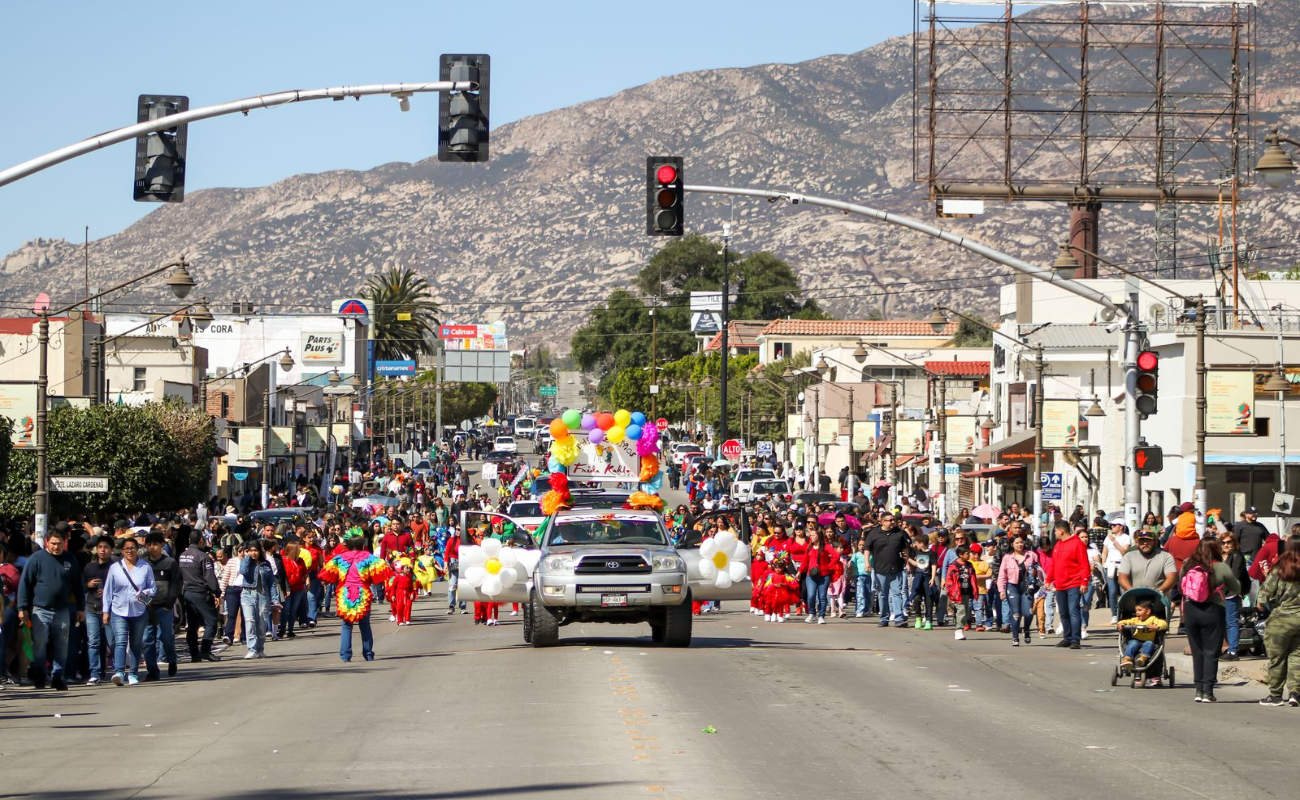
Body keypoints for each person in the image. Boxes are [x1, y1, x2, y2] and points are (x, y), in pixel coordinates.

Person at [15, 527, 84, 691]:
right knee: (40, 644)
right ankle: (40, 675)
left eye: (59, 543)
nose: (56, 546)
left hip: (62, 610)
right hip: (40, 610)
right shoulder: (36, 559)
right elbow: (24, 584)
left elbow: (77, 586)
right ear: (47, 542)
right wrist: (22, 608)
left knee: (62, 645)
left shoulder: (70, 559)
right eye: (53, 543)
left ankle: (57, 677)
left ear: (65, 543)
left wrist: (80, 608)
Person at [1180, 538, 1240, 703]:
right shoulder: (1221, 567)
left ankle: (1198, 690)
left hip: (1191, 610)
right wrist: (1222, 590)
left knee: (1197, 651)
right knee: (1211, 652)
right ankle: (1208, 691)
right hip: (1213, 610)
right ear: (1216, 549)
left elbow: (1181, 587)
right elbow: (1236, 588)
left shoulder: (1187, 565)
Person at [318, 536, 393, 662]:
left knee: (346, 626)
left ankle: (345, 655)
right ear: (362, 545)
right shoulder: (369, 557)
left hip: (344, 594)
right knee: (365, 625)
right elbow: (383, 568)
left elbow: (327, 573)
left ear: (347, 545)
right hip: (363, 593)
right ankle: (368, 654)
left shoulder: (339, 558)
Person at [101, 537, 156, 686]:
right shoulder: (115, 568)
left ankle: (133, 673)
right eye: (127, 549)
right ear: (122, 551)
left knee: (136, 643)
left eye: (132, 548)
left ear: (137, 549)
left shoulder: (145, 567)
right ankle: (119, 672)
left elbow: (153, 588)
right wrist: (105, 611)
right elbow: (108, 591)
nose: (130, 551)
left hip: (139, 611)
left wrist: (145, 592)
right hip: (118, 610)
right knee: (120, 641)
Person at [1257, 546, 1300, 706]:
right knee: (1297, 656)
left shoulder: (1281, 569)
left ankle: (1275, 695)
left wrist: (1263, 607)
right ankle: (1295, 693)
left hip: (1281, 618)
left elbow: (1264, 595)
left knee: (1277, 658)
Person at [178, 532, 223, 663]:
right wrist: (217, 592)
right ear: (201, 540)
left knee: (192, 624)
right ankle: (205, 650)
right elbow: (210, 577)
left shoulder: (182, 556)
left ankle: (194, 653)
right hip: (201, 592)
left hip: (188, 592)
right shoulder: (203, 557)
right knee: (211, 621)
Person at [1045, 522, 1090, 649]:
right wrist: (1048, 580)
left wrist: (1084, 582)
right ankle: (1067, 637)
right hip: (1060, 584)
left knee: (1073, 611)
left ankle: (1075, 639)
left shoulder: (1077, 544)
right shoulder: (1058, 545)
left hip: (1074, 583)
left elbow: (1084, 564)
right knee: (1063, 612)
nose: (1054, 533)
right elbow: (1053, 565)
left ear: (1061, 531)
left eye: (1055, 531)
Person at [864, 513, 908, 627]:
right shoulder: (874, 533)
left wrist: (907, 561)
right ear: (882, 522)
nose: (892, 522)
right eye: (889, 520)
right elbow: (867, 549)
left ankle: (899, 617)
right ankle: (884, 618)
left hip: (896, 568)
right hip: (880, 569)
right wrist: (867, 562)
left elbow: (905, 548)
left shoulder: (899, 533)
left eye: (893, 520)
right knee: (883, 594)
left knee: (897, 593)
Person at [996, 533, 1041, 647]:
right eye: (1017, 543)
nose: (1020, 545)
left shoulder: (1031, 555)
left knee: (1028, 613)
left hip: (1027, 587)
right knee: (1015, 613)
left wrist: (1036, 575)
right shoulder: (1007, 557)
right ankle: (1015, 637)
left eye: (1021, 542)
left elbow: (1040, 571)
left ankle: (1026, 630)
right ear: (1012, 544)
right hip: (1012, 586)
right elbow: (1002, 575)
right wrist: (1001, 590)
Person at [238, 540, 279, 660]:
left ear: (260, 551)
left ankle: (260, 649)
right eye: (250, 550)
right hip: (247, 594)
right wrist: (246, 558)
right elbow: (243, 571)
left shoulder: (266, 564)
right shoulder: (246, 562)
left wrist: (275, 599)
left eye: (255, 550)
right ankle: (251, 649)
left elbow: (271, 582)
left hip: (262, 595)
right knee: (250, 621)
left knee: (261, 623)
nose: (253, 553)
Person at [1219, 532, 1250, 661]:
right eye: (1223, 542)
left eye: (1229, 542)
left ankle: (1233, 651)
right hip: (1219, 594)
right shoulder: (1220, 556)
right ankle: (1228, 647)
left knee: (1232, 622)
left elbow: (1234, 576)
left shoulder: (1237, 556)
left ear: (1234, 543)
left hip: (1231, 593)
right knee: (1223, 622)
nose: (1226, 545)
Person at [1118, 530, 1178, 595]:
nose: (1145, 543)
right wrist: (1132, 592)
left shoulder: (1166, 556)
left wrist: (1158, 592)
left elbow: (1172, 578)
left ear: (1155, 542)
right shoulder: (1129, 556)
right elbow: (1122, 578)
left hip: (1159, 598)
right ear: (1137, 542)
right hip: (1134, 599)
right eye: (1142, 541)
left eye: (1148, 540)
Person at [1117, 598, 1168, 669]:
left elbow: (1164, 623)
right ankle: (1127, 659)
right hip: (1136, 639)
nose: (1137, 612)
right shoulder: (1136, 620)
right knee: (1133, 643)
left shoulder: (1153, 619)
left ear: (1147, 611)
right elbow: (1127, 621)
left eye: (1139, 610)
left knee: (1149, 644)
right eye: (1136, 611)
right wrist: (1120, 623)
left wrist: (1157, 627)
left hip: (1148, 640)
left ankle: (1143, 658)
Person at [945, 545, 978, 641]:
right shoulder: (954, 566)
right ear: (960, 554)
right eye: (967, 554)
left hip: (966, 592)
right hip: (957, 592)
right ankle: (959, 630)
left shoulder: (969, 565)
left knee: (965, 610)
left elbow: (973, 578)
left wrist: (975, 590)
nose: (969, 555)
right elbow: (949, 579)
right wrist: (951, 590)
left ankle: (958, 625)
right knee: (961, 610)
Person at [1101, 522, 1132, 623]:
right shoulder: (1108, 538)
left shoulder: (1126, 537)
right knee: (1112, 591)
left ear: (1121, 526)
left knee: (1123, 590)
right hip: (1110, 565)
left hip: (1121, 565)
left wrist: (1115, 541)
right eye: (1112, 525)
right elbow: (1105, 551)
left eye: (1115, 525)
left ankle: (1123, 612)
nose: (1112, 527)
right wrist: (1103, 563)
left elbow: (1124, 552)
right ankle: (1114, 614)